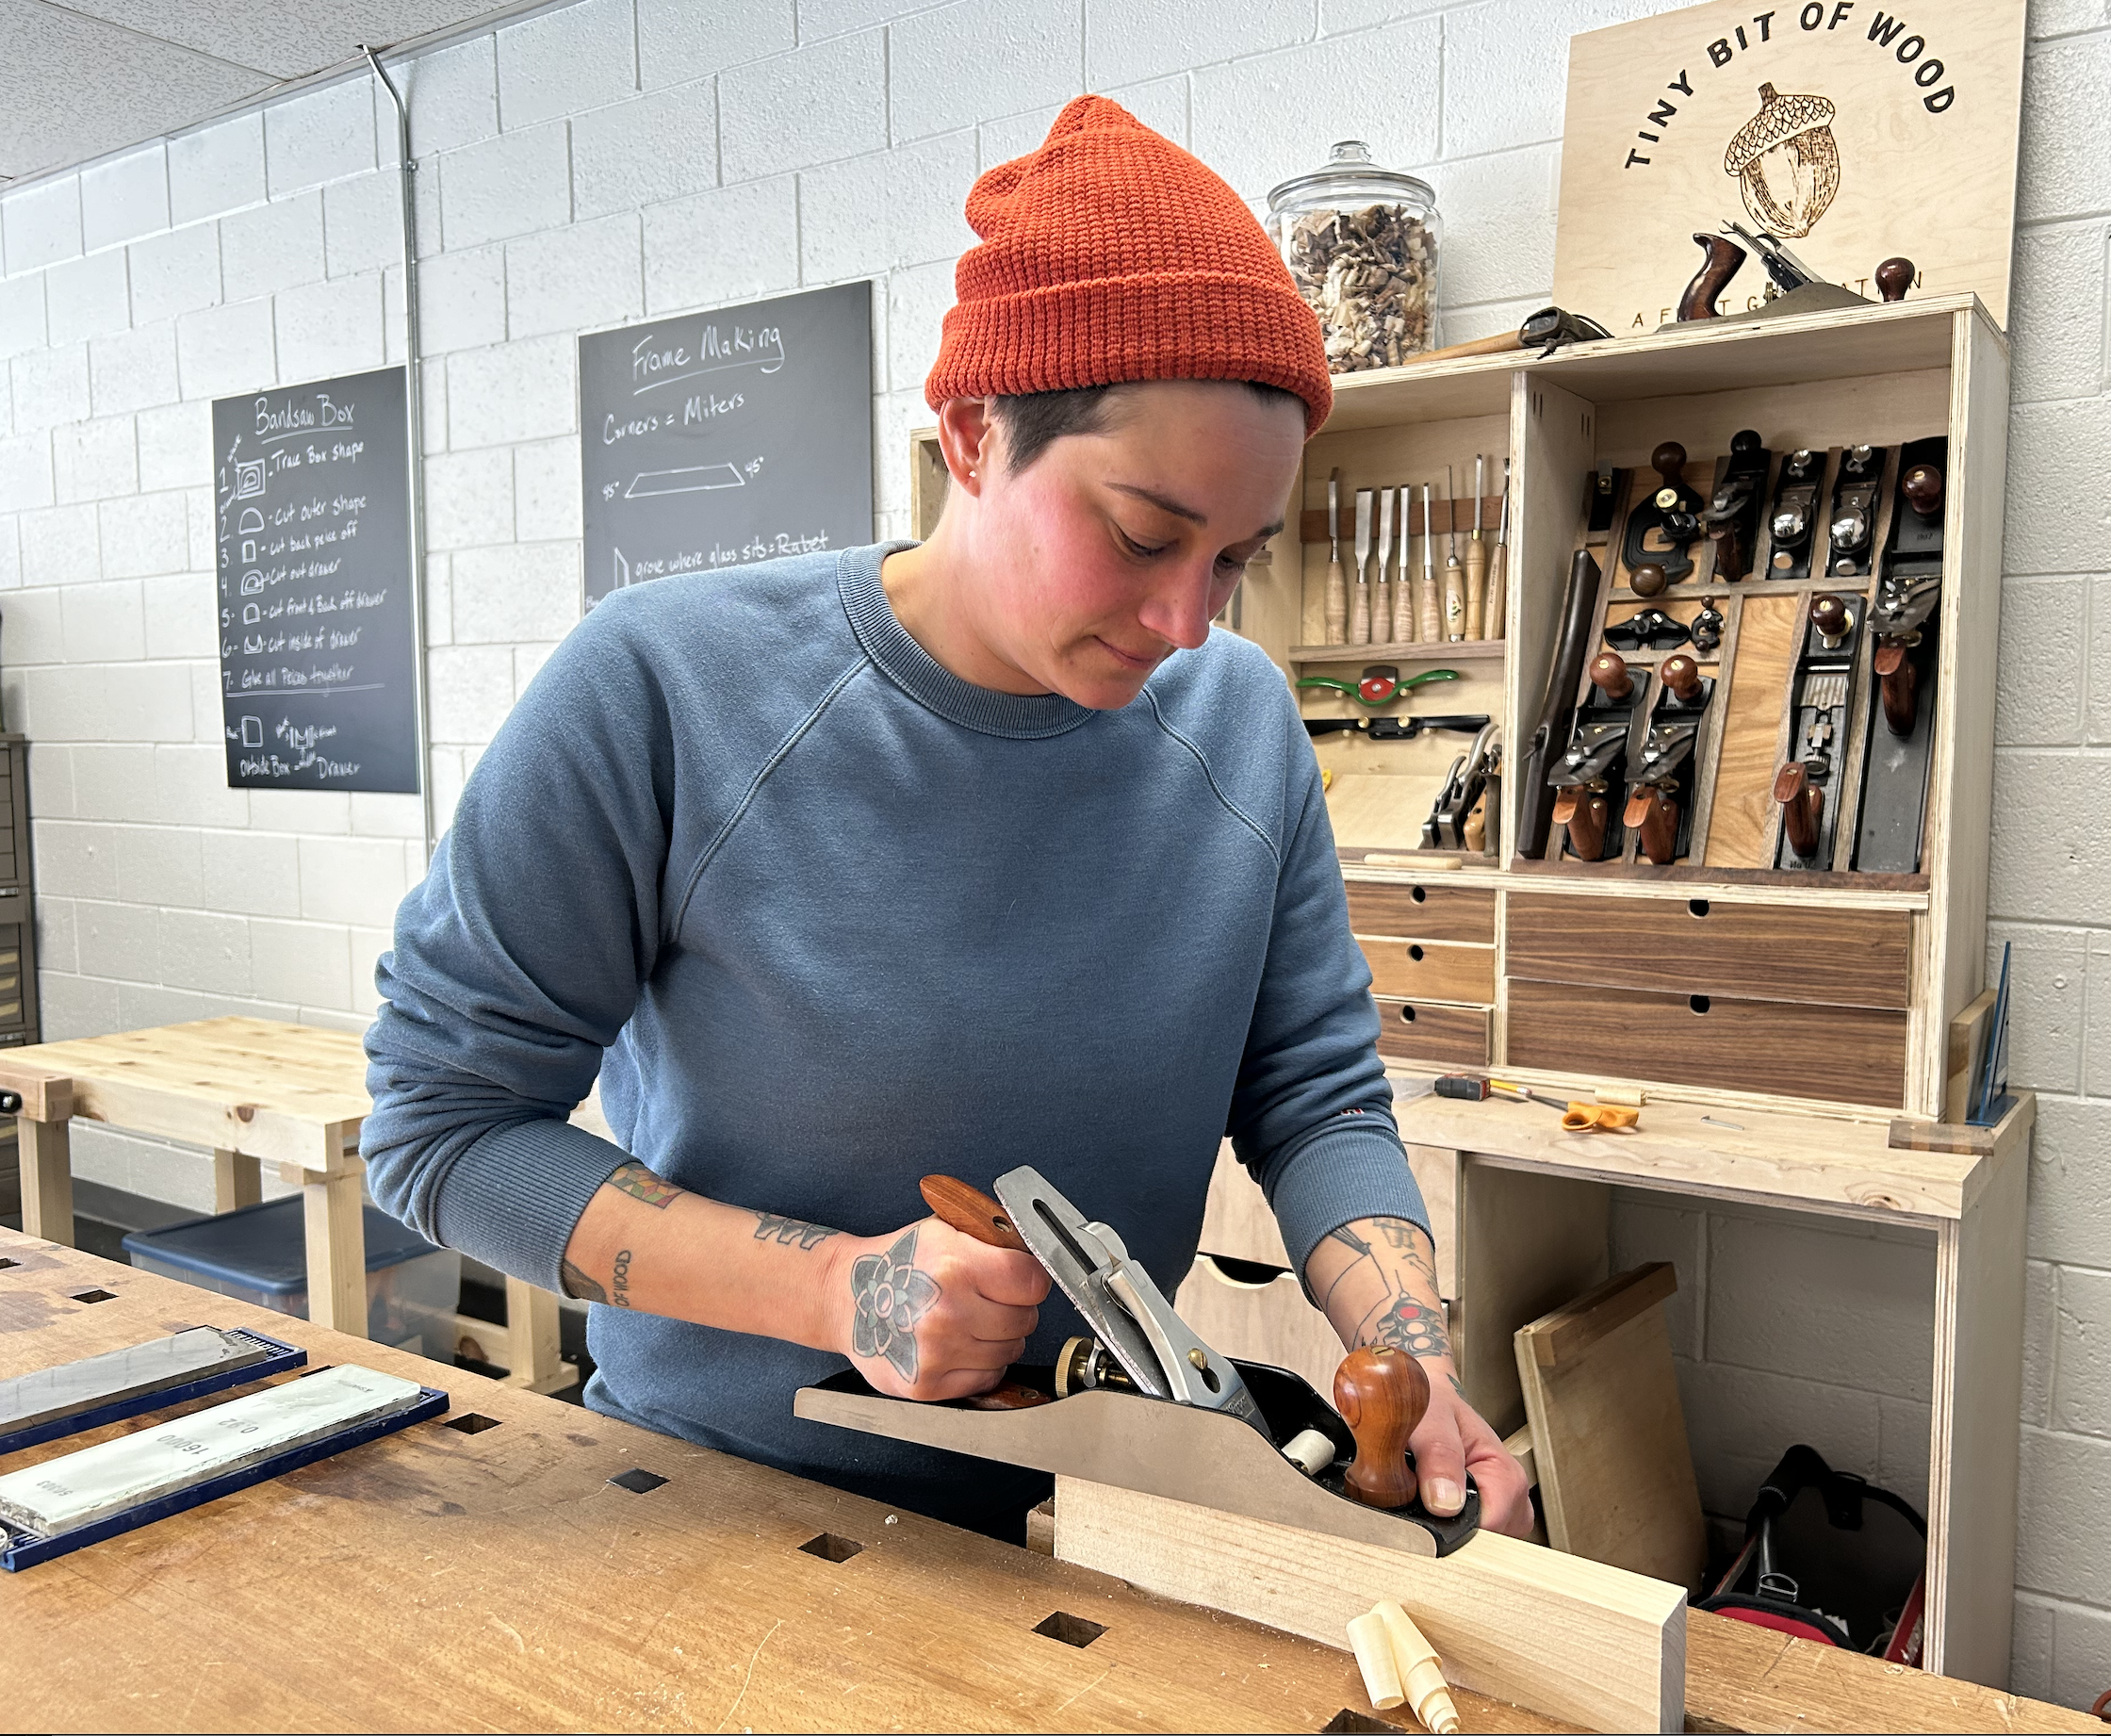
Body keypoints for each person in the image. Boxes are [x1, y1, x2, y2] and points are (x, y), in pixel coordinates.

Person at [363, 95, 1528, 1544]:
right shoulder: (664, 685)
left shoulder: (1242, 720)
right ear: (974, 434)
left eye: (1235, 559)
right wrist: (834, 1286)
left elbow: (1315, 1096)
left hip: (1106, 1511)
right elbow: (440, 1132)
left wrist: (1405, 1347)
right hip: (722, 1505)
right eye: (1145, 534)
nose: (1186, 620)